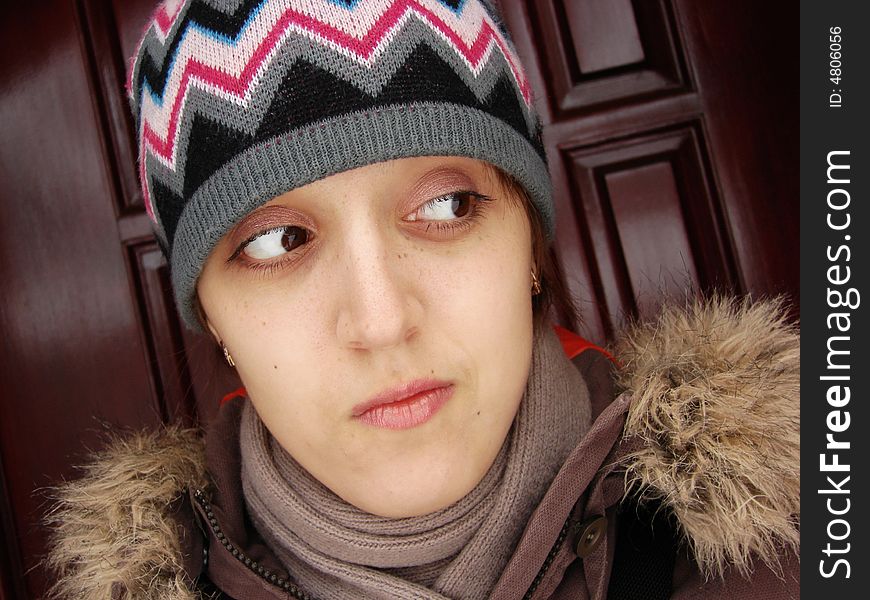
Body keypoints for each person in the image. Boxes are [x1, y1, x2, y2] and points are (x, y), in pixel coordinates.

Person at [44, 1, 800, 598]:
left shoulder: (792, 550)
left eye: (446, 208)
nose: (381, 322)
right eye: (277, 242)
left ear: (529, 251)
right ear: (211, 314)